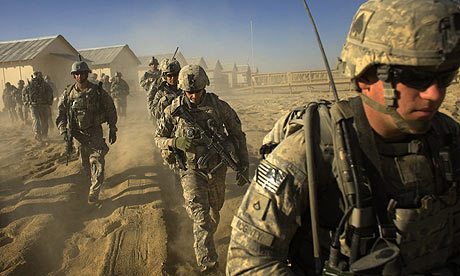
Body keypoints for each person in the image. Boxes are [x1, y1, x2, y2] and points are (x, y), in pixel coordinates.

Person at [226, 0, 460, 275]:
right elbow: (248, 260)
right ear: (366, 76)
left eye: (445, 76)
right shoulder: (313, 148)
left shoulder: (449, 138)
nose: (435, 94)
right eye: (416, 77)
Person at [155, 64, 249, 273]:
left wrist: (244, 165)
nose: (193, 96)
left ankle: (204, 237)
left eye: (197, 92)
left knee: (215, 211)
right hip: (190, 170)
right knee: (200, 216)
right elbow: (158, 138)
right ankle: (208, 263)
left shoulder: (218, 106)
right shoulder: (173, 109)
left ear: (204, 87)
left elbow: (238, 134)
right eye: (189, 92)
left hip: (216, 168)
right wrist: (174, 143)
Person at [56, 61, 117, 206]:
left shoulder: (97, 91)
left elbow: (110, 109)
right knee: (85, 165)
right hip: (78, 135)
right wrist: (63, 131)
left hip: (94, 132)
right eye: (76, 73)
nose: (79, 75)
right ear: (73, 75)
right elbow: (61, 114)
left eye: (82, 73)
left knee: (97, 161)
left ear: (87, 73)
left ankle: (94, 192)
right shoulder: (68, 93)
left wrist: (113, 128)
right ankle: (90, 183)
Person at [23, 71, 53, 141]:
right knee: (39, 120)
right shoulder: (41, 84)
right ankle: (40, 134)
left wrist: (26, 102)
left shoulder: (42, 85)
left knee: (40, 120)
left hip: (39, 105)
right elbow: (24, 93)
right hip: (37, 105)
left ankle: (41, 134)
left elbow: (50, 93)